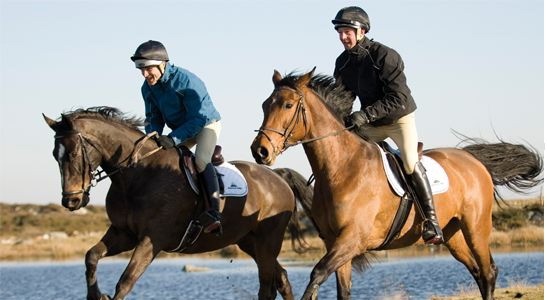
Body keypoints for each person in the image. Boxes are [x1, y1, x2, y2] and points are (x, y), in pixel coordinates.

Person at [331, 7, 443, 244]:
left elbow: (398, 98)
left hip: (398, 120)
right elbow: (344, 100)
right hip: (370, 123)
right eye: (340, 32)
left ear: (362, 31)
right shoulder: (342, 63)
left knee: (410, 163)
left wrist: (365, 114)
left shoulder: (385, 55)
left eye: (347, 31)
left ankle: (431, 221)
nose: (343, 37)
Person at [131, 40, 223, 235]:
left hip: (205, 124)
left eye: (147, 69)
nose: (144, 74)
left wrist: (173, 139)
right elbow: (152, 117)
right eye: (141, 69)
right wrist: (153, 139)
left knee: (200, 160)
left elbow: (198, 118)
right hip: (182, 128)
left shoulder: (186, 81)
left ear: (162, 63)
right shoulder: (147, 88)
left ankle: (214, 211)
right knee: (160, 157)